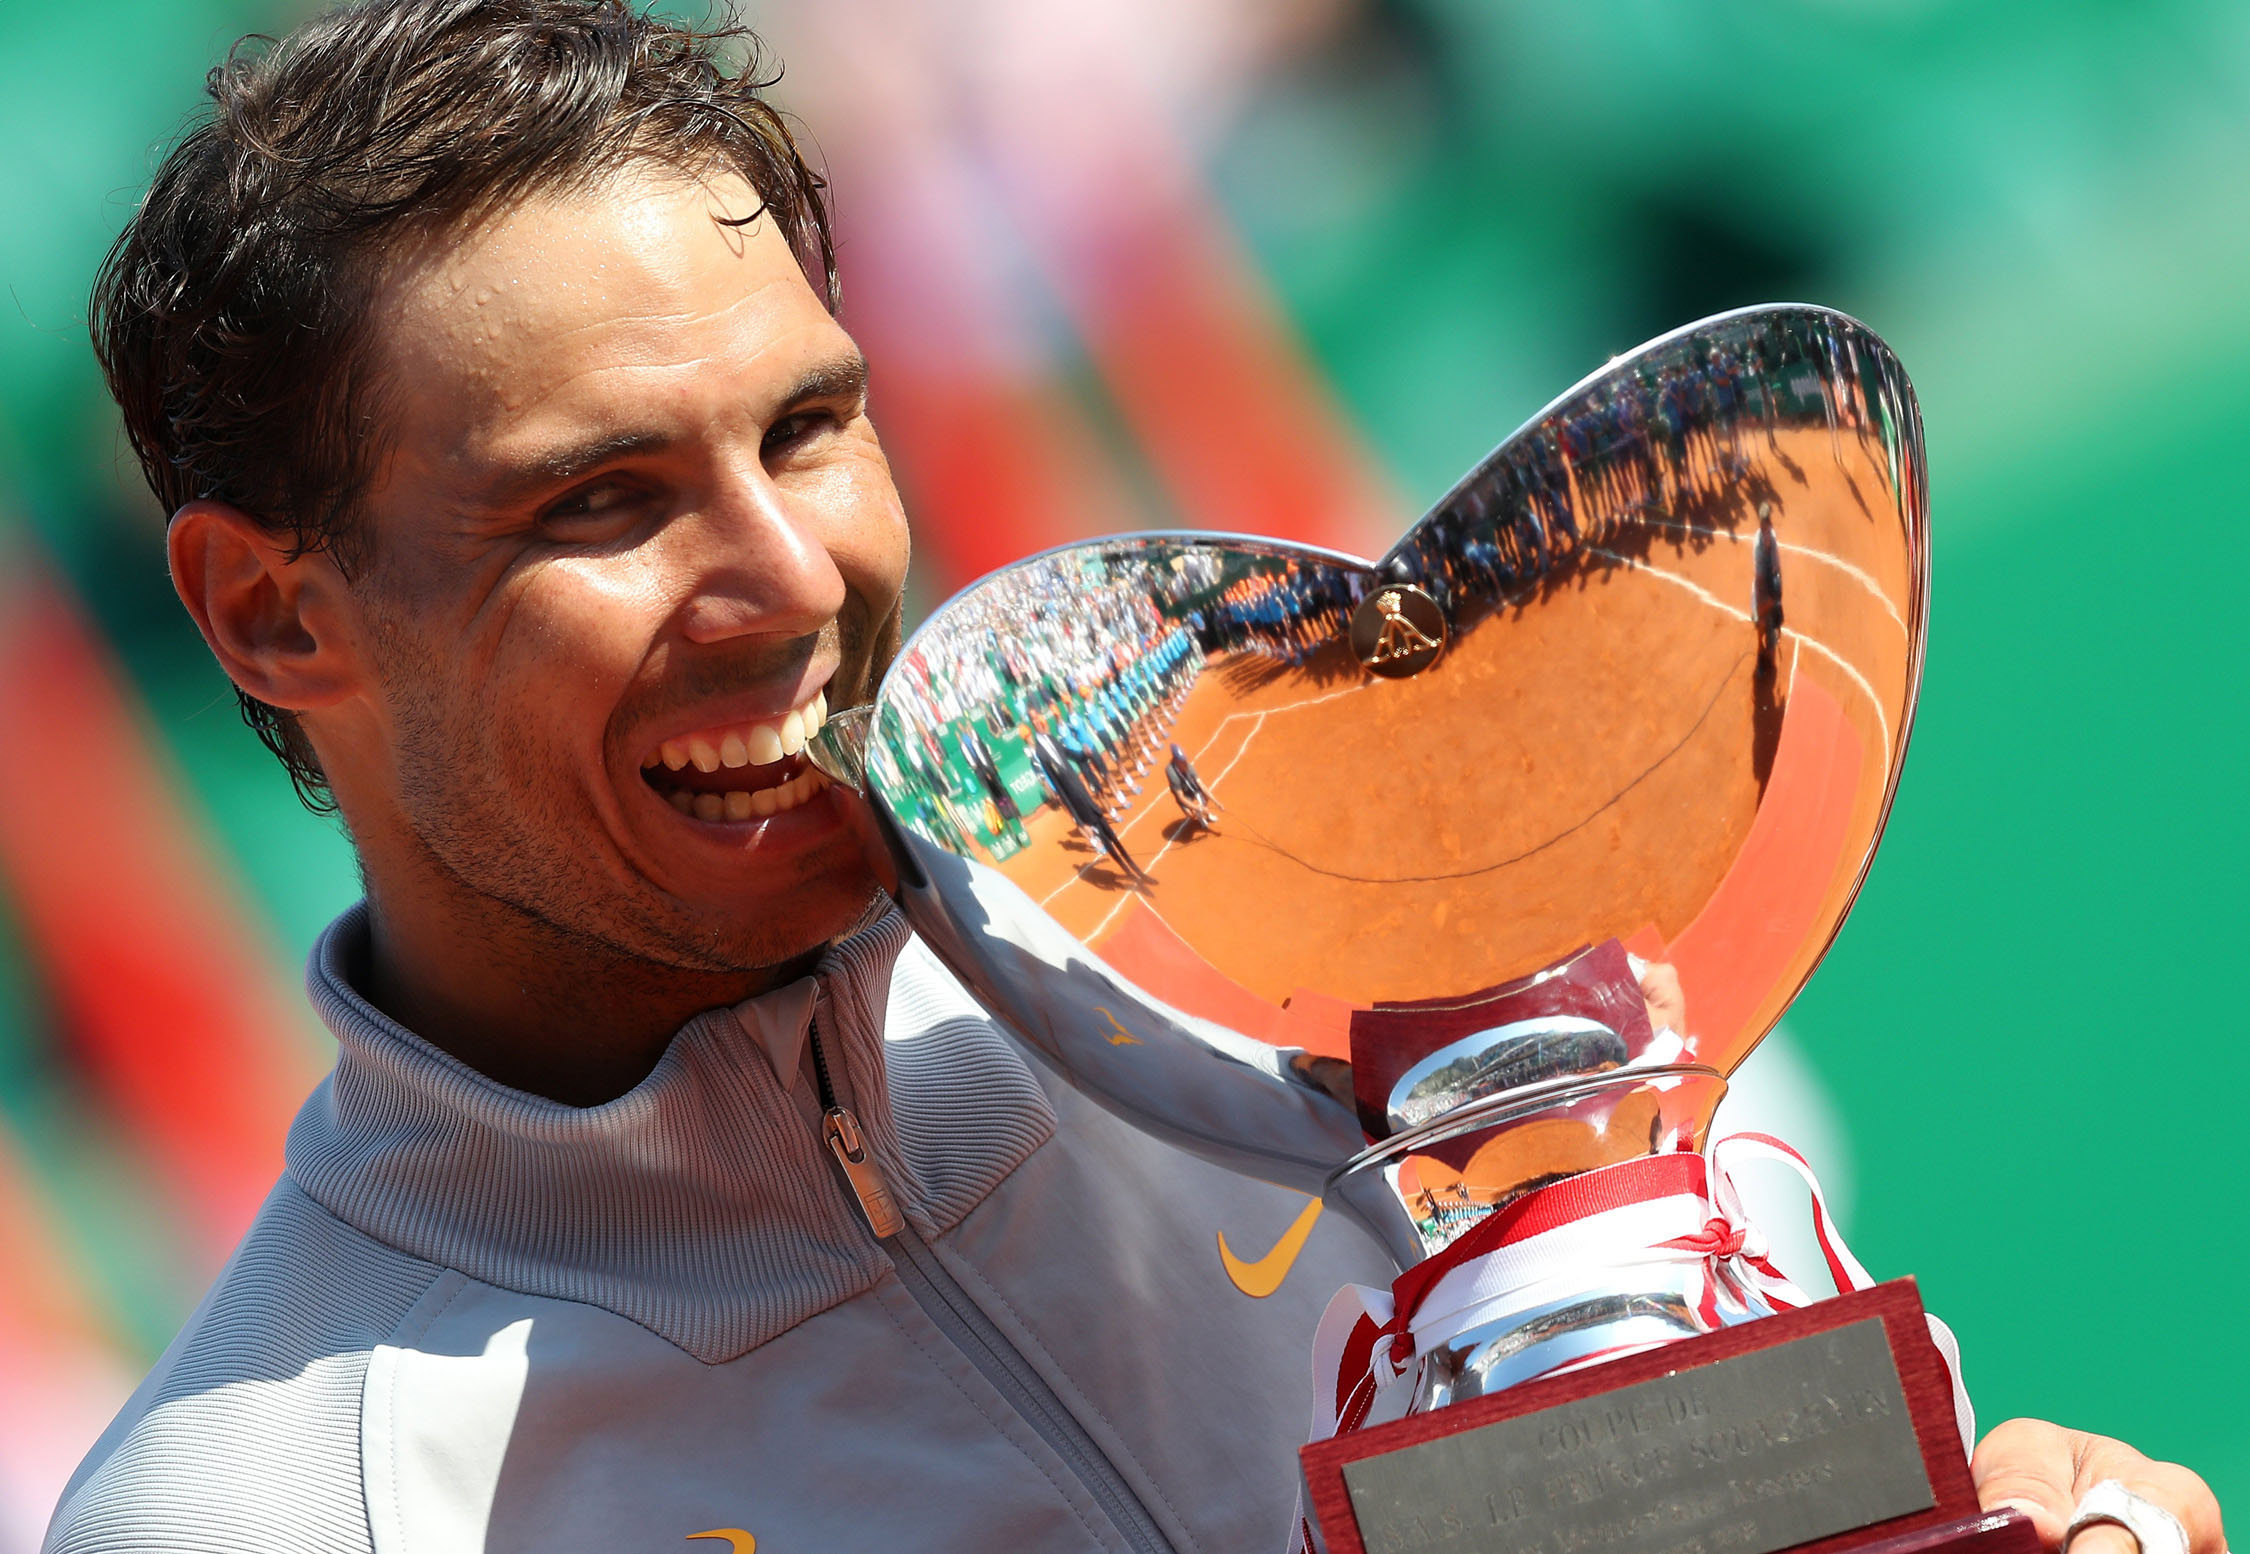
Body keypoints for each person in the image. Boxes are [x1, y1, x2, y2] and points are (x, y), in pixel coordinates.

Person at [47, 4, 2223, 1553]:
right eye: (601, 503)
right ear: (271, 617)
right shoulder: (261, 1514)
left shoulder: (1312, 931)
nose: (792, 574)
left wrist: (2040, 1518)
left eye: (811, 427)